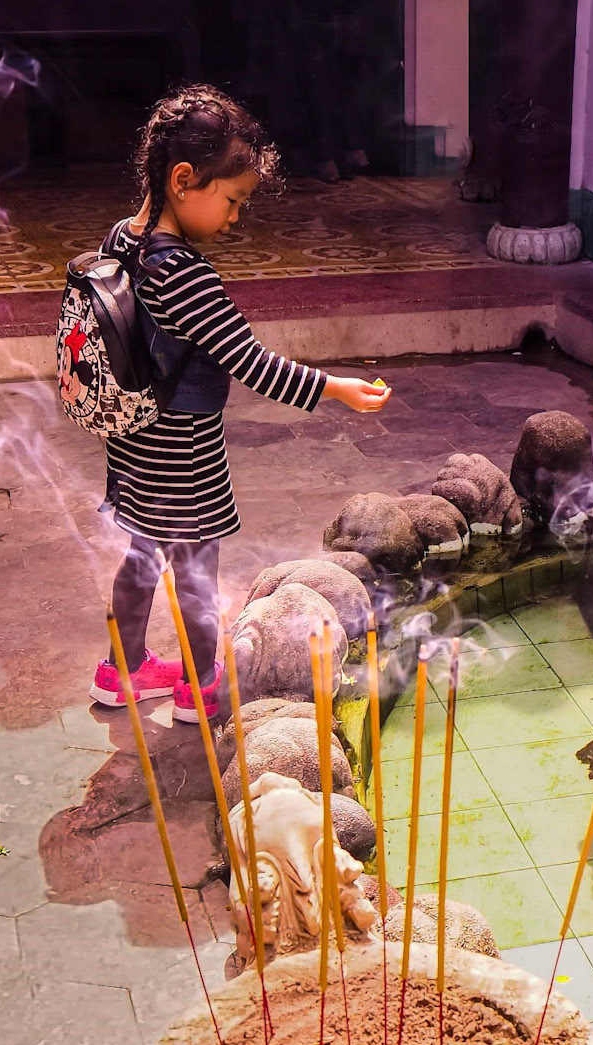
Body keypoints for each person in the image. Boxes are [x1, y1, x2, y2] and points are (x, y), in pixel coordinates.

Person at [91, 83, 388, 721]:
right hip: (184, 444)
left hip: (132, 435)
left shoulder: (120, 240)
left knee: (142, 549)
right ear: (182, 179)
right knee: (197, 566)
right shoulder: (188, 277)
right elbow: (251, 364)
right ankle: (201, 687)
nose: (232, 218)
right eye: (231, 200)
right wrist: (336, 389)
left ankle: (121, 670)